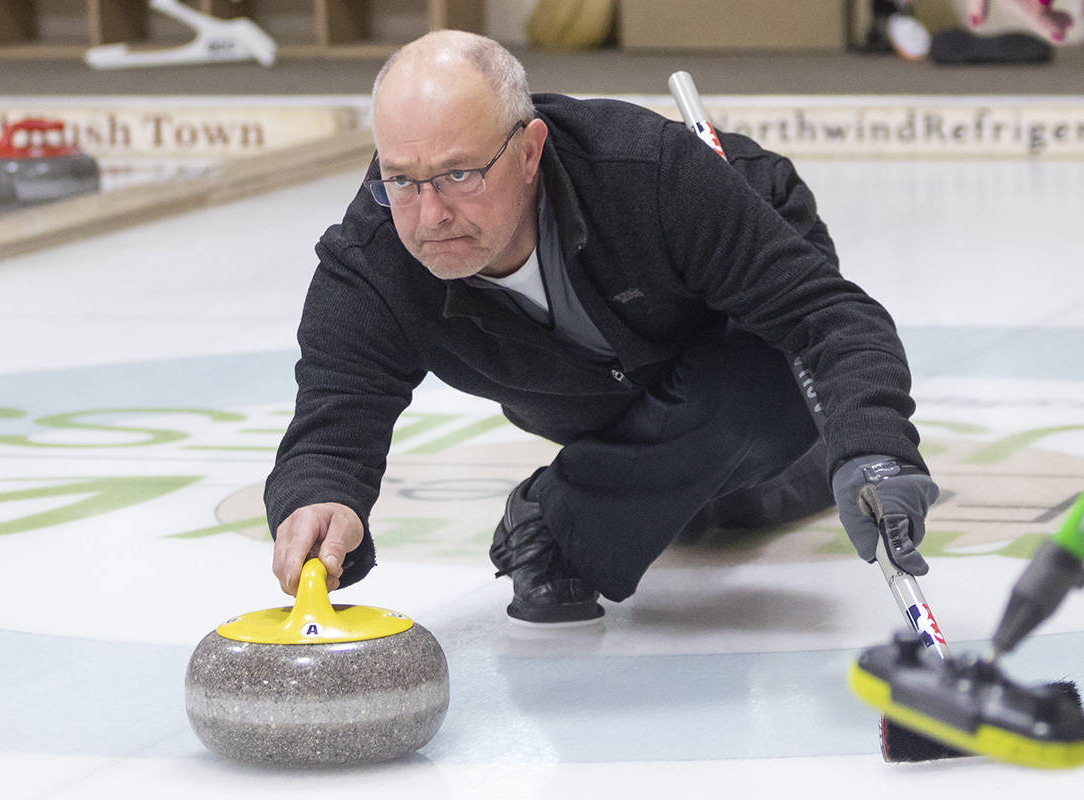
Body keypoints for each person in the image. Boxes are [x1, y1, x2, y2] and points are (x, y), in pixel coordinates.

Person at [265, 30, 939, 624]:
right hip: (590, 402)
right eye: (401, 180)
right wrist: (321, 499)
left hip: (734, 342)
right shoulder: (371, 261)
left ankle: (585, 509)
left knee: (777, 430)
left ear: (530, 151)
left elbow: (828, 317)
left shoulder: (654, 179)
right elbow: (335, 412)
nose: (429, 213)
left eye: (459, 173)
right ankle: (581, 512)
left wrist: (877, 447)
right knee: (716, 490)